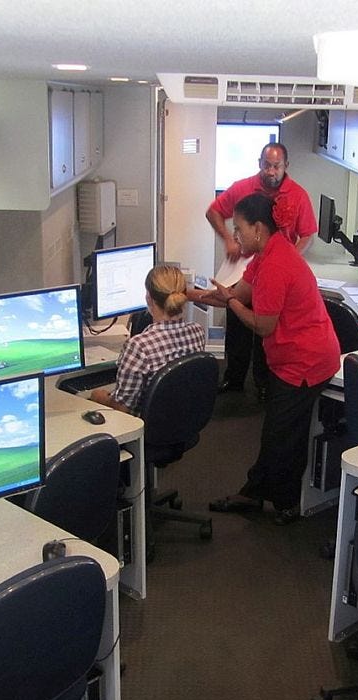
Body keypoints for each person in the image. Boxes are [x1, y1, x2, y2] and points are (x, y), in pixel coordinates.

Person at [193, 193, 340, 525]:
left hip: (306, 361)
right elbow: (237, 293)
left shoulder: (276, 264)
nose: (236, 236)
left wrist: (231, 303)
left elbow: (261, 324)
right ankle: (256, 492)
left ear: (258, 228)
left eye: (239, 229)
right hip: (296, 354)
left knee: (283, 435)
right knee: (279, 431)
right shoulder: (266, 252)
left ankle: (285, 505)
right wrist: (190, 294)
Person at [206, 142, 317, 399]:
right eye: (266, 165)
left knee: (267, 330)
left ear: (285, 167)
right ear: (259, 163)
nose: (271, 171)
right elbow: (213, 212)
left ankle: (264, 384)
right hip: (244, 270)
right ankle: (233, 379)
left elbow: (308, 234)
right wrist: (228, 239)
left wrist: (289, 258)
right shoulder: (243, 187)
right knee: (237, 323)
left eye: (276, 166)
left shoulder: (298, 195)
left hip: (276, 273)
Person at [89, 265, 205, 415]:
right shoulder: (197, 332)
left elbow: (122, 408)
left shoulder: (138, 347)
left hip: (146, 430)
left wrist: (98, 397)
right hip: (185, 422)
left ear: (148, 298)